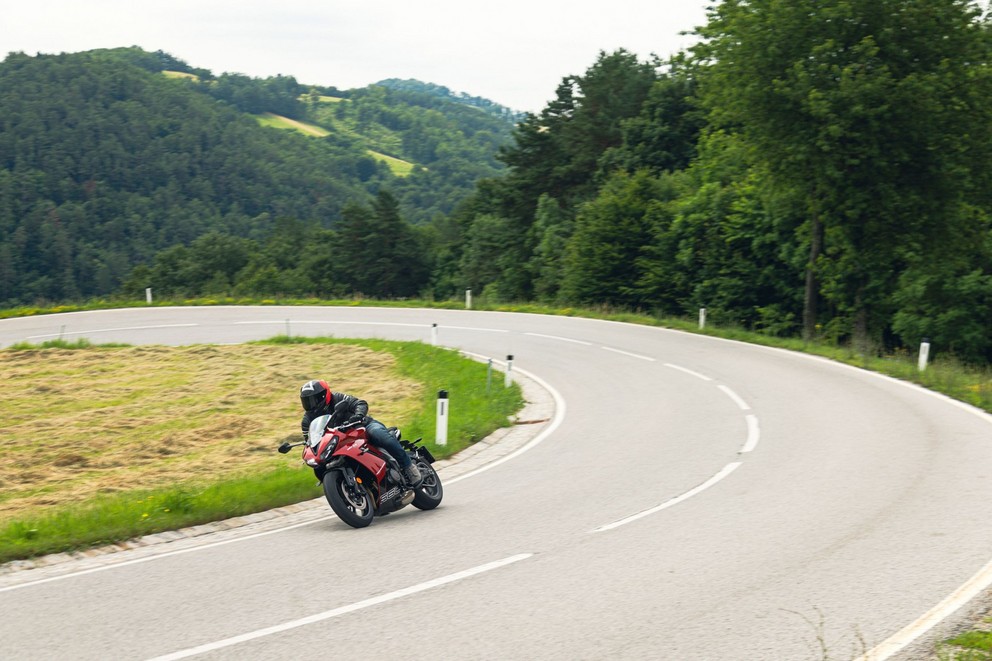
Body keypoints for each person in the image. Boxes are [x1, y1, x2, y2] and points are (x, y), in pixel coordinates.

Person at [299, 379, 422, 486]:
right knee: (319, 465)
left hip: (362, 427)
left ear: (324, 395)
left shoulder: (337, 398)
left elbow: (359, 403)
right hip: (340, 442)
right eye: (307, 401)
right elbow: (311, 439)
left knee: (380, 435)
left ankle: (408, 467)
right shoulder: (307, 420)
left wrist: (358, 415)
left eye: (314, 400)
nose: (311, 404)